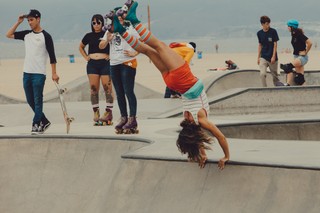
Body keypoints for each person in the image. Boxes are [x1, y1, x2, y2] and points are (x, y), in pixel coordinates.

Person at [112, 1, 230, 169]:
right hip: (173, 82)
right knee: (148, 50)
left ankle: (134, 21)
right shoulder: (189, 120)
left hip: (183, 79)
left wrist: (226, 156)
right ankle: (121, 30)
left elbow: (221, 137)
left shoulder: (201, 121)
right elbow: (197, 138)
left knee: (158, 46)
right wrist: (202, 154)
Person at [6, 9, 59, 134]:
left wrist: (54, 73)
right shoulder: (26, 35)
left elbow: (52, 57)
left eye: (31, 20)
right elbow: (8, 34)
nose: (29, 22)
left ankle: (36, 124)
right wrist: (18, 22)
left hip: (39, 74)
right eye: (28, 20)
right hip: (26, 73)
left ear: (38, 19)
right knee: (30, 100)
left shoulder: (46, 36)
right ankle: (44, 121)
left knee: (37, 100)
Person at [99, 8, 139, 134]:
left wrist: (135, 52)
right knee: (119, 93)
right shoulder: (110, 29)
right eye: (117, 16)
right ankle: (124, 118)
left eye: (121, 15)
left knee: (128, 91)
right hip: (114, 63)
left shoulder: (130, 28)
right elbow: (101, 46)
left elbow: (142, 42)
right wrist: (107, 39)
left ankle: (133, 119)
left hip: (127, 62)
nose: (120, 18)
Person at [79, 14, 114, 126]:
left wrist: (111, 55)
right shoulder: (88, 35)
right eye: (94, 23)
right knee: (94, 89)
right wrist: (86, 57)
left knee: (107, 88)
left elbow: (115, 45)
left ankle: (108, 112)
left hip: (105, 64)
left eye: (98, 22)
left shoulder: (106, 34)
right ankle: (96, 112)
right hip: (92, 65)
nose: (96, 25)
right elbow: (80, 47)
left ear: (102, 23)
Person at [280, 19, 312, 86]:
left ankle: (287, 84)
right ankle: (307, 92)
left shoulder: (298, 33)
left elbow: (310, 43)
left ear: (292, 27)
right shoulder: (293, 33)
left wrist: (306, 52)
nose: (287, 27)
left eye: (288, 26)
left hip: (302, 57)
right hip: (296, 56)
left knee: (287, 67)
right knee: (299, 79)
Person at [257, 15, 281, 87]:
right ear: (262, 24)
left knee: (275, 77)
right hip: (263, 56)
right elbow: (260, 45)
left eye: (269, 23)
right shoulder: (259, 33)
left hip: (272, 57)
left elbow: (275, 44)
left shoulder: (273, 31)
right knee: (262, 74)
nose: (268, 25)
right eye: (267, 24)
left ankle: (277, 88)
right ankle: (264, 89)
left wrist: (273, 56)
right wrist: (258, 57)